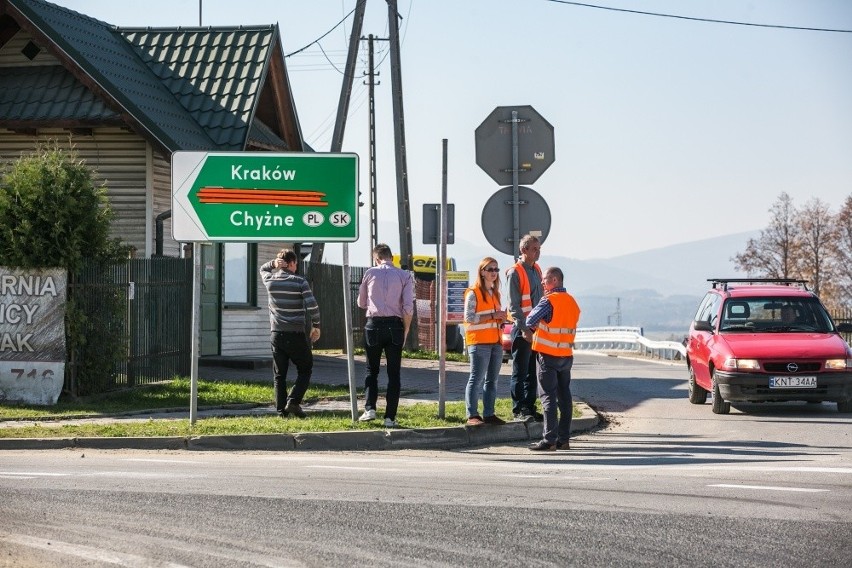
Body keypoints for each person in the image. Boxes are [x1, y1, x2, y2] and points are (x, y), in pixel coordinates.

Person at [523, 266, 581, 451]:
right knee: (565, 397)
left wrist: (539, 321)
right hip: (566, 356)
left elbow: (530, 320)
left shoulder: (548, 301)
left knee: (548, 397)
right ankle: (564, 440)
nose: (542, 282)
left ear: (555, 280)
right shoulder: (572, 302)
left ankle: (549, 440)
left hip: (548, 356)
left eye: (545, 279)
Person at [357, 243, 415, 428]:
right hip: (394, 326)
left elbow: (361, 302)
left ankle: (369, 409)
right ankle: (390, 418)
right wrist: (405, 329)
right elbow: (408, 308)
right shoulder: (404, 275)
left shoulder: (370, 273)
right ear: (392, 257)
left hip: (373, 325)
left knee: (371, 370)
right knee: (394, 373)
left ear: (376, 258)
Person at [260, 249, 321, 419]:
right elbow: (312, 306)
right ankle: (293, 401)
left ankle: (281, 411)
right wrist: (316, 325)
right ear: (292, 263)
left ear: (280, 263)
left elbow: (262, 269)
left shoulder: (270, 280)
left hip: (277, 334)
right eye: (296, 264)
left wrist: (273, 264)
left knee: (279, 374)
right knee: (306, 367)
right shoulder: (299, 282)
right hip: (295, 334)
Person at [463, 257, 508, 426]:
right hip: (479, 342)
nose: (494, 273)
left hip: (496, 342)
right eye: (490, 270)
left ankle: (489, 414)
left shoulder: (495, 293)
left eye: (496, 270)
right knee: (476, 379)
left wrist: (502, 318)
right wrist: (493, 316)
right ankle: (472, 415)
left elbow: (494, 318)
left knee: (492, 380)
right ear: (482, 272)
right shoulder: (473, 292)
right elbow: (468, 317)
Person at [506, 234, 544, 422]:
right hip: (523, 330)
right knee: (520, 371)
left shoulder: (536, 269)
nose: (538, 252)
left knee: (532, 371)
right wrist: (524, 329)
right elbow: (514, 306)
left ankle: (529, 406)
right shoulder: (515, 272)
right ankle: (518, 408)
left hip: (536, 329)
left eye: (539, 249)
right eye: (534, 249)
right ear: (524, 250)